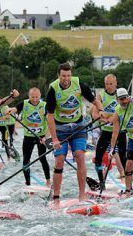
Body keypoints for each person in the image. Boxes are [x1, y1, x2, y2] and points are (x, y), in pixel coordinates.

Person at [46, 62, 105, 207]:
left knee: (79, 156)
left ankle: (82, 195)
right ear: (58, 76)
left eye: (68, 75)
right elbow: (49, 116)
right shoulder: (53, 89)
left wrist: (101, 110)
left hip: (78, 127)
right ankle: (56, 198)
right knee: (60, 159)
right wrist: (54, 138)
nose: (66, 79)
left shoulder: (78, 84)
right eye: (63, 76)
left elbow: (93, 100)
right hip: (60, 129)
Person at [7, 87, 51, 187]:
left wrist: (46, 138)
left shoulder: (44, 106)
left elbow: (50, 123)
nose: (35, 99)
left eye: (36, 97)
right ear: (29, 96)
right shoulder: (25, 103)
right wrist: (10, 110)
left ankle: (48, 181)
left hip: (41, 137)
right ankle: (28, 184)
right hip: (28, 136)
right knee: (26, 160)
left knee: (42, 158)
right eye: (32, 97)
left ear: (40, 96)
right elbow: (15, 109)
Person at [92, 74, 126, 187]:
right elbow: (94, 113)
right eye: (107, 84)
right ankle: (102, 183)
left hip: (120, 131)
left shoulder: (121, 95)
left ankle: (127, 185)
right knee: (98, 158)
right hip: (106, 131)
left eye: (111, 84)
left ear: (116, 83)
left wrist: (112, 119)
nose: (109, 86)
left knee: (123, 157)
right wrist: (102, 119)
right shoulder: (100, 96)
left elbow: (125, 111)